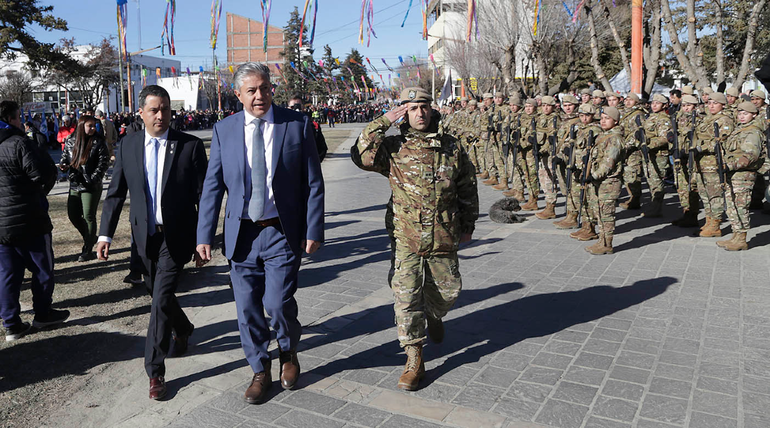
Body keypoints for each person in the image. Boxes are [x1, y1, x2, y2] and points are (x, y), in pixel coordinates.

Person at [195, 62, 324, 404]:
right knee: (247, 309)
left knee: (277, 304)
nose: (259, 96)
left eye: (264, 88)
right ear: (237, 94)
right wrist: (203, 235)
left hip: (281, 232)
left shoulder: (296, 125)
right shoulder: (224, 130)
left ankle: (288, 352)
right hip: (242, 235)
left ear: (272, 89)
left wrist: (314, 228)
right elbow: (212, 187)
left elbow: (313, 182)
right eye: (251, 90)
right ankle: (259, 370)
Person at [350, 87, 479, 391]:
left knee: (448, 292)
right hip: (405, 236)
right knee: (406, 298)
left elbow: (467, 186)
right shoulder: (394, 147)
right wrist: (383, 120)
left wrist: (469, 224)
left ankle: (434, 313)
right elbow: (362, 156)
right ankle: (414, 358)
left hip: (443, 233)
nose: (419, 113)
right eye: (411, 108)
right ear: (404, 114)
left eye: (423, 106)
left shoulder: (452, 147)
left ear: (432, 110)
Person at [96, 85, 208, 400]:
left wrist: (203, 238)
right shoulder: (128, 145)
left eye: (165, 110)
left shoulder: (189, 146)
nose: (160, 116)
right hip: (144, 238)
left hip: (176, 237)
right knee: (158, 294)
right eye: (154, 110)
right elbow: (116, 193)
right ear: (141, 112)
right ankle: (184, 328)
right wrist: (105, 234)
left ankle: (155, 372)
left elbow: (205, 197)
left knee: (159, 301)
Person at [0, 100, 69, 341]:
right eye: (18, 117)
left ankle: (11, 323)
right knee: (42, 269)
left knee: (8, 274)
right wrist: (38, 192)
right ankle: (43, 313)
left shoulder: (17, 143)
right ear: (9, 119)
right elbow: (42, 173)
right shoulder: (19, 143)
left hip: (2, 225)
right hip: (29, 218)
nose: (22, 122)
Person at [60, 116, 110, 262]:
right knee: (73, 214)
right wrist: (64, 165)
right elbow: (65, 157)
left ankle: (87, 249)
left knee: (89, 216)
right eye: (90, 126)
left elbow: (103, 163)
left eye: (94, 126)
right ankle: (90, 237)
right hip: (75, 183)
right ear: (82, 126)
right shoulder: (71, 140)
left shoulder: (98, 142)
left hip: (90, 186)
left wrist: (92, 179)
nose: (93, 128)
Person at [718, 101, 765, 250]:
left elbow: (751, 155)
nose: (742, 116)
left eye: (745, 113)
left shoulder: (753, 132)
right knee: (731, 205)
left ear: (754, 115)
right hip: (733, 173)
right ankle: (736, 235)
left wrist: (730, 165)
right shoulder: (740, 129)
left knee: (740, 205)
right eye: (740, 113)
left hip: (744, 174)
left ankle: (742, 239)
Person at [585, 107, 624, 254]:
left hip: (609, 182)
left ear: (615, 120)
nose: (603, 121)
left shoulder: (615, 138)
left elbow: (609, 162)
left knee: (606, 214)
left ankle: (607, 244)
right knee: (599, 212)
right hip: (600, 181)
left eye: (607, 118)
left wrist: (594, 175)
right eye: (602, 118)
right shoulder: (604, 135)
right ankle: (601, 241)